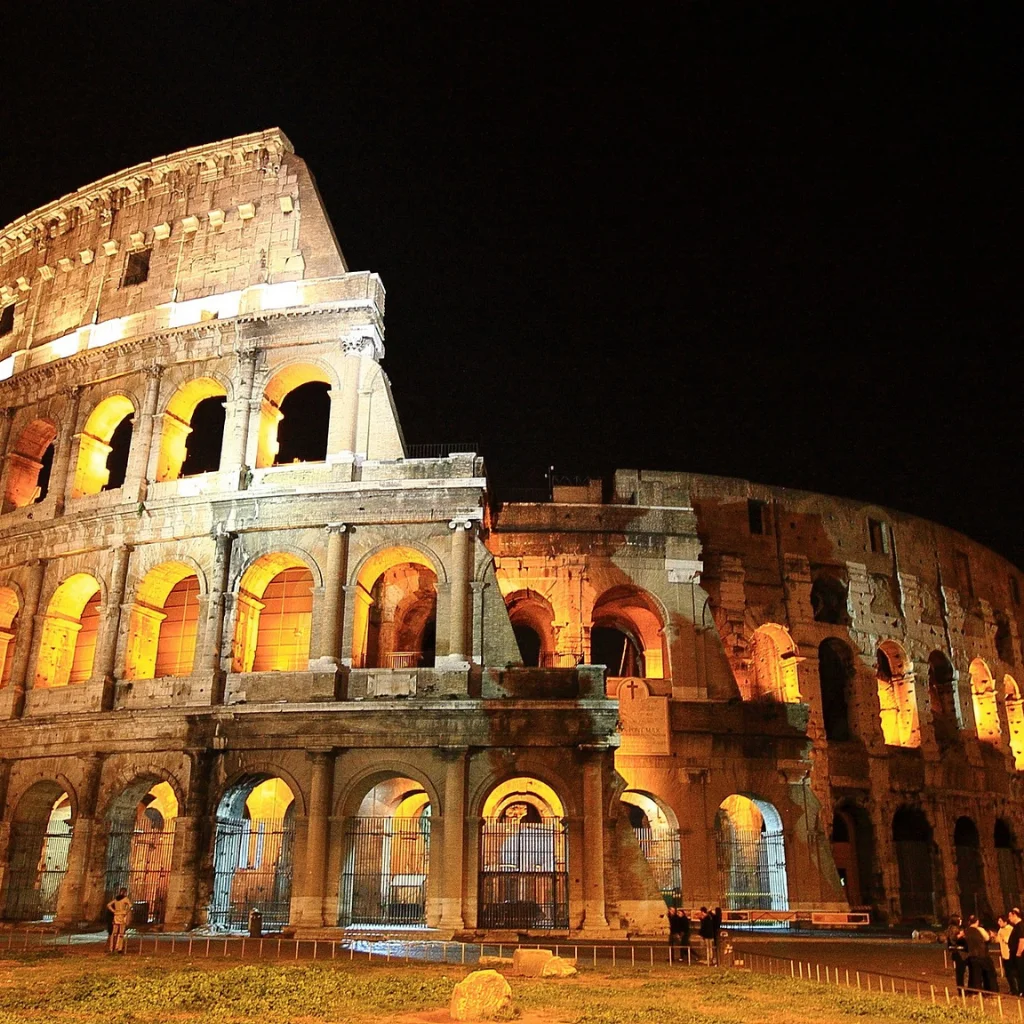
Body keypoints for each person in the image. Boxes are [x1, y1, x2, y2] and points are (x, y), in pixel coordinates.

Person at [965, 914, 997, 992]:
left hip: (972, 955)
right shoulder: (980, 929)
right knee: (990, 973)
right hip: (982, 955)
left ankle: (977, 991)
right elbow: (987, 938)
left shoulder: (966, 931)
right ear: (977, 922)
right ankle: (992, 991)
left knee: (976, 975)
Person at [946, 914, 968, 994]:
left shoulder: (950, 928)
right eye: (959, 919)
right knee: (961, 972)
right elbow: (954, 939)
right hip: (959, 953)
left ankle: (960, 989)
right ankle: (961, 989)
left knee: (960, 972)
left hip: (956, 953)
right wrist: (961, 935)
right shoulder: (954, 928)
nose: (961, 921)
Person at [107, 888, 133, 954]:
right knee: (121, 933)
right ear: (125, 892)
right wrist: (126, 911)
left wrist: (113, 911)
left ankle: (111, 947)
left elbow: (108, 905)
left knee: (114, 932)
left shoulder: (116, 899)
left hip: (116, 916)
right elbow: (130, 905)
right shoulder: (125, 899)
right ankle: (119, 948)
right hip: (122, 916)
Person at [1007, 908, 1024, 995]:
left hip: (1019, 955)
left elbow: (1022, 940)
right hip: (1016, 954)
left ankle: (1022, 991)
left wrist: (1018, 953)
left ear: (1014, 915)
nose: (1009, 918)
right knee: (1018, 973)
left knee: (1021, 973)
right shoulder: (1016, 926)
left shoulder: (1020, 926)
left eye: (1010, 916)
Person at [997, 915, 1013, 992]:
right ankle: (1012, 989)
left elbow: (1008, 940)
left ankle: (1016, 990)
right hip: (1004, 955)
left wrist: (1003, 936)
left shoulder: (1010, 929)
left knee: (1013, 973)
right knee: (1008, 973)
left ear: (1005, 922)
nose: (998, 922)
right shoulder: (1000, 930)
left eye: (1000, 921)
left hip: (1010, 954)